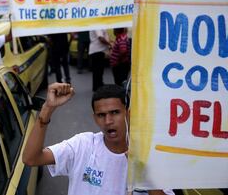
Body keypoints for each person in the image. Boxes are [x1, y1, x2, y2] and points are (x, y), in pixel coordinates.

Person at [22, 83, 172, 195]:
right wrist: (48, 108)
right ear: (95, 118)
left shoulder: (150, 155)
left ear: (129, 113)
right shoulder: (83, 145)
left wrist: (143, 173)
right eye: (101, 115)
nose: (108, 121)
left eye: (115, 112)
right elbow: (31, 159)